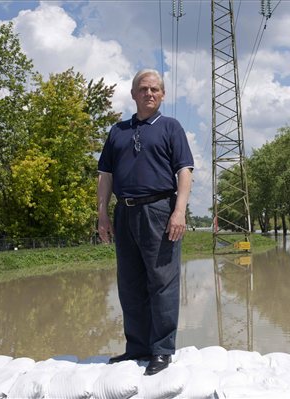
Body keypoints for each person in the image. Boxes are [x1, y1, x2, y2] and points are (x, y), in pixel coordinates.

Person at [97, 69, 194, 376]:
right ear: (133, 94)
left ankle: (162, 350)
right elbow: (105, 176)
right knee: (130, 282)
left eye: (155, 89)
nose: (149, 93)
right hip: (124, 213)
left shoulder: (170, 127)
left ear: (162, 95)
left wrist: (179, 211)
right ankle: (137, 346)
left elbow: (185, 172)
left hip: (160, 211)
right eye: (143, 89)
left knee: (162, 281)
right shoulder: (118, 131)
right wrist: (101, 214)